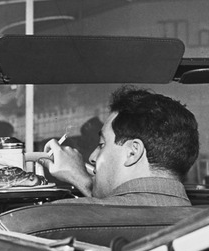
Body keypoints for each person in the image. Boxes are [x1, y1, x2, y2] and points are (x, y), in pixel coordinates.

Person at [39, 86, 199, 206]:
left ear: (132, 152)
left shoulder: (62, 214)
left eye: (102, 145)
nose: (92, 157)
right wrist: (83, 180)